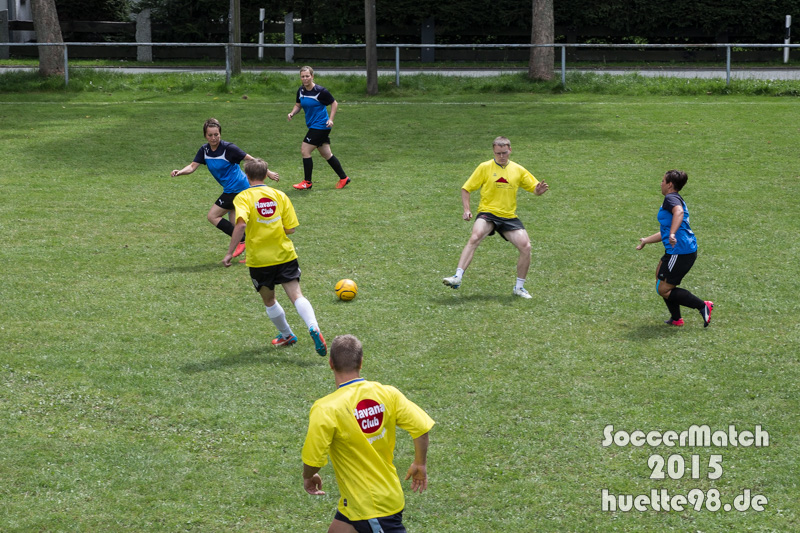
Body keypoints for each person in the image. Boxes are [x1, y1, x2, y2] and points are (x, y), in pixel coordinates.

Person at [302, 334, 434, 533]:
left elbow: (313, 461)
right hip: (362, 501)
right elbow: (421, 428)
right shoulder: (387, 393)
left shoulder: (326, 408)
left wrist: (308, 476)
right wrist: (420, 463)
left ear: (331, 364)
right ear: (361, 362)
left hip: (372, 508)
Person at [222, 158, 327, 356]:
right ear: (265, 175)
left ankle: (287, 335)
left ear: (247, 176)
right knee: (297, 295)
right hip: (284, 253)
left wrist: (230, 253)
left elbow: (241, 224)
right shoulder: (280, 195)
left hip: (260, 259)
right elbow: (291, 229)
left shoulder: (243, 197)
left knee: (269, 300)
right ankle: (313, 326)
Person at [442, 136, 549, 298]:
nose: (501, 156)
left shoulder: (518, 170)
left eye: (504, 153)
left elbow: (534, 188)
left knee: (526, 246)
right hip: (488, 213)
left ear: (510, 150)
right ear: (493, 151)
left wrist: (538, 191)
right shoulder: (484, 167)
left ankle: (519, 288)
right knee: (475, 236)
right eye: (498, 153)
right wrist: (467, 210)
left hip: (509, 216)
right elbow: (466, 188)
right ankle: (457, 277)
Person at [171, 118, 279, 257]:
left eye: (216, 134)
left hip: (238, 188)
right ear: (205, 136)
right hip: (230, 189)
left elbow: (250, 159)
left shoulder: (228, 148)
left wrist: (268, 172)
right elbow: (192, 167)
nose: (213, 138)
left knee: (213, 216)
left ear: (220, 134)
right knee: (236, 224)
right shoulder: (204, 150)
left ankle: (243, 240)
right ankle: (257, 248)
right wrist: (180, 172)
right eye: (210, 135)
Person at [636, 169, 713, 327]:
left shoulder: (671, 199)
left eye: (663, 181)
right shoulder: (676, 198)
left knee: (663, 289)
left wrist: (672, 233)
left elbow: (678, 213)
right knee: (660, 280)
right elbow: (666, 231)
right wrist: (646, 240)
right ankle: (676, 319)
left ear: (670, 185)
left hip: (680, 252)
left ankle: (703, 306)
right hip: (679, 250)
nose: (661, 184)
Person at [287, 66, 352, 190]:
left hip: (321, 126)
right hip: (314, 125)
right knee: (327, 154)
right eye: (302, 76)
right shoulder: (301, 90)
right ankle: (344, 178)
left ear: (312, 76)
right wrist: (292, 113)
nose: (305, 78)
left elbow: (334, 103)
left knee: (305, 150)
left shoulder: (321, 91)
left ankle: (307, 182)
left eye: (307, 76)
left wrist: (331, 119)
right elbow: (298, 105)